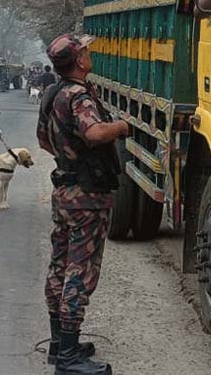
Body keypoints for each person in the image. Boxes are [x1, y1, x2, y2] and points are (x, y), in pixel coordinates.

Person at [37, 34, 128, 375]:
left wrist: (68, 157)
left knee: (60, 265)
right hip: (87, 196)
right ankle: (70, 357)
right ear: (78, 61)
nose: (91, 54)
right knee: (81, 270)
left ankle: (60, 343)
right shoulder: (78, 95)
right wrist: (119, 127)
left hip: (65, 191)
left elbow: (43, 141)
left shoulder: (52, 93)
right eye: (86, 50)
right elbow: (93, 133)